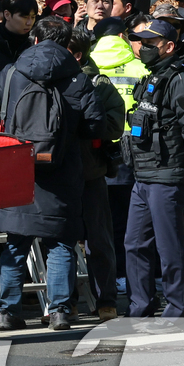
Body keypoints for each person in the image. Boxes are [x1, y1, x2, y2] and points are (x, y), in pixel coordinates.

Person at [0, 17, 104, 331]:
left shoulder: (13, 73)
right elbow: (94, 125)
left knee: (16, 243)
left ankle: (8, 313)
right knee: (62, 244)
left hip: (19, 170)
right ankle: (60, 312)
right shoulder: (79, 79)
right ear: (67, 42)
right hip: (63, 173)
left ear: (36, 40)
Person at [123, 19, 184, 320]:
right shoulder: (151, 77)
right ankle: (140, 304)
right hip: (143, 174)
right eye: (140, 43)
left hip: (168, 174)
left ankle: (177, 306)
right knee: (134, 242)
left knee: (169, 245)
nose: (142, 48)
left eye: (149, 44)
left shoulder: (179, 79)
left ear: (169, 47)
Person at [68, 30, 127, 322]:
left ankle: (106, 300)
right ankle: (64, 304)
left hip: (91, 171)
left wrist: (85, 127)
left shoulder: (99, 83)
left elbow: (116, 122)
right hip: (57, 172)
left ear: (77, 55)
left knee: (99, 239)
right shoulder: (45, 80)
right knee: (60, 240)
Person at [90, 15, 146, 292]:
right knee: (128, 220)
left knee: (97, 221)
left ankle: (98, 280)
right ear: (123, 36)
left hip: (97, 148)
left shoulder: (89, 65)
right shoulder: (139, 67)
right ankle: (123, 274)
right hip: (132, 149)